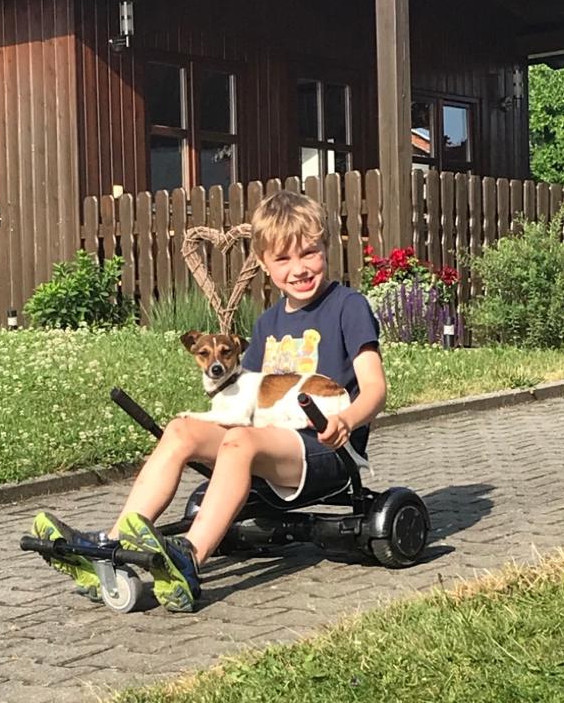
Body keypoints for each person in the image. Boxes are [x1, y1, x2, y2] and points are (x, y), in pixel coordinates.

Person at [32, 190, 387, 612]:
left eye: (309, 253)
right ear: (263, 263)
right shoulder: (268, 322)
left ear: (327, 246)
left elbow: (375, 388)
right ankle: (112, 545)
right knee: (181, 429)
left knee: (240, 440)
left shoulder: (347, 306)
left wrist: (347, 420)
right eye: (283, 259)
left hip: (327, 452)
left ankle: (189, 557)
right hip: (268, 446)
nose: (299, 269)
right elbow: (242, 394)